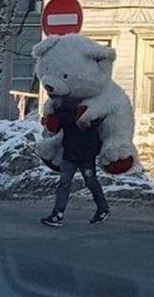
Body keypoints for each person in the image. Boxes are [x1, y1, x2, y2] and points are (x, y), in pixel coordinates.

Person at [41, 96, 110, 228]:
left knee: (90, 181)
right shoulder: (64, 108)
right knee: (64, 182)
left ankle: (103, 208)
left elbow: (101, 118)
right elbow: (55, 125)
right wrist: (48, 122)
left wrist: (91, 124)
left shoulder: (91, 105)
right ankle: (58, 214)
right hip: (71, 153)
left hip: (86, 153)